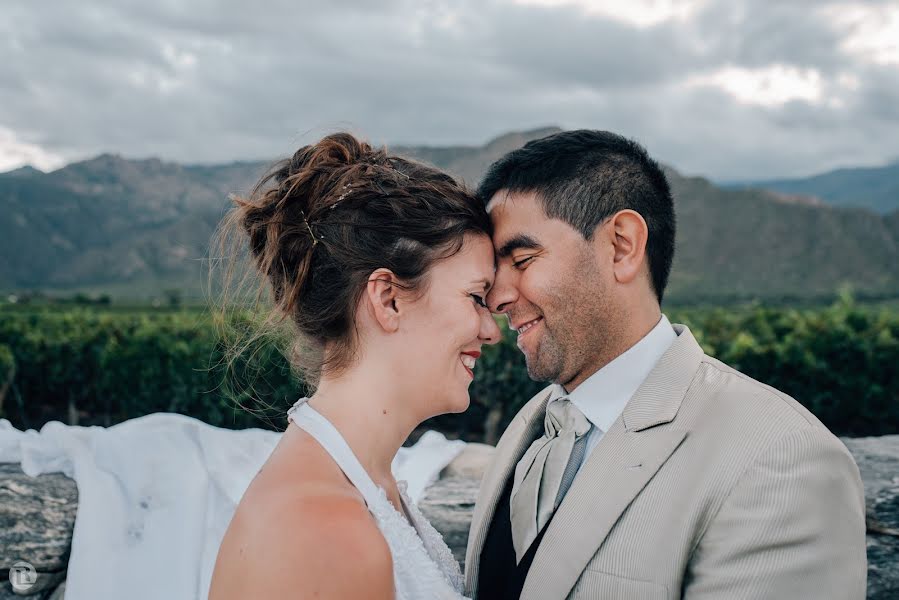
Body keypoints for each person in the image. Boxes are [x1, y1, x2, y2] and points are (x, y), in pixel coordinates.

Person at [465, 129, 867, 599]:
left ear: (622, 246)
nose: (496, 297)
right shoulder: (530, 423)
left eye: (523, 259)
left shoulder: (782, 460)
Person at [208, 132, 500, 599]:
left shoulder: (367, 487)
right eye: (476, 298)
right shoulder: (329, 531)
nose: (491, 330)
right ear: (388, 299)